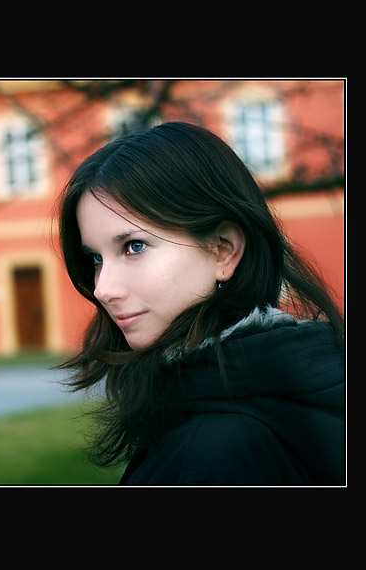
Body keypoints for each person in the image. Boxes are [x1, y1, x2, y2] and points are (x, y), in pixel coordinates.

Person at [56, 121, 345, 486]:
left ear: (223, 250)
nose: (102, 289)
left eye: (134, 246)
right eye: (96, 258)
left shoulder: (214, 451)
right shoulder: (294, 388)